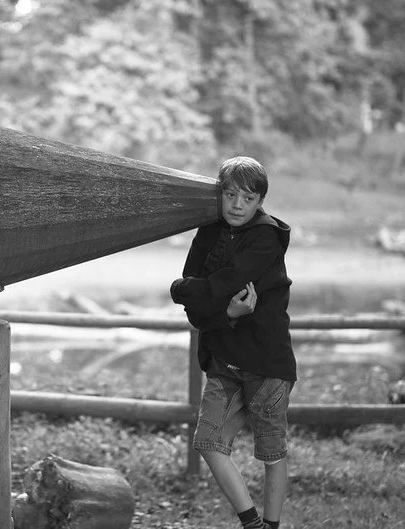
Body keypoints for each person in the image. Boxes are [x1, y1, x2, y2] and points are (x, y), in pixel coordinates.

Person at [170, 156, 296, 529]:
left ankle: (271, 525)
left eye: (247, 197)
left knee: (271, 451)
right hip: (223, 358)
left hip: (266, 361)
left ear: (259, 201)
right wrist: (227, 315)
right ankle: (252, 524)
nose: (237, 205)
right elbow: (198, 313)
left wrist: (180, 289)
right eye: (230, 194)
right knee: (208, 443)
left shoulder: (265, 236)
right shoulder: (208, 232)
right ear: (220, 194)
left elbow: (226, 281)